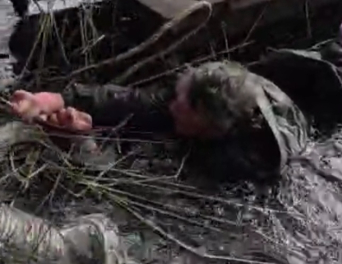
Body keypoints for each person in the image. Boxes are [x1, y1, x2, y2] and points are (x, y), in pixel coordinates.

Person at [9, 61, 308, 182]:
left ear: (207, 125)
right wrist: (51, 100)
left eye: (181, 107)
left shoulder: (236, 162)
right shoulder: (185, 99)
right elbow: (128, 100)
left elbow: (149, 181)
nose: (172, 106)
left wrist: (85, 146)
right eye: (176, 97)